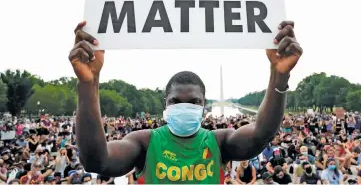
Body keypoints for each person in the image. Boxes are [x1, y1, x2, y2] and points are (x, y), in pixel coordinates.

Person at [69, 20, 302, 183]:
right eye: (176, 101)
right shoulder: (144, 143)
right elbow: (97, 162)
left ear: (204, 106)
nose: (184, 106)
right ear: (165, 104)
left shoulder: (218, 142)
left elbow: (262, 133)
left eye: (193, 101)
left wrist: (279, 74)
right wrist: (88, 83)